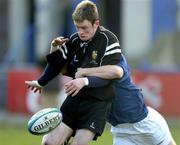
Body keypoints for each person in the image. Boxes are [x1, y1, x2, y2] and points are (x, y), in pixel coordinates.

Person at [25, 0, 121, 145]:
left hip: (97, 104)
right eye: (77, 27)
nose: (81, 32)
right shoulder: (74, 40)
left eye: (84, 27)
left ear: (96, 23)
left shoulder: (109, 40)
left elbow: (110, 75)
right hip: (74, 99)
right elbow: (58, 65)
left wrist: (85, 81)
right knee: (49, 142)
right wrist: (41, 81)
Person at [74, 55, 177, 145]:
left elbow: (116, 72)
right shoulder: (85, 59)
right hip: (121, 131)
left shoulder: (114, 56)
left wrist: (84, 72)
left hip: (145, 124)